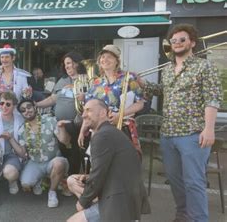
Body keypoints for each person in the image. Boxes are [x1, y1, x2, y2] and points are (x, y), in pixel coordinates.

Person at [138, 24, 223, 222]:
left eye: (182, 39)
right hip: (168, 134)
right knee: (175, 181)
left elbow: (212, 98)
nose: (177, 43)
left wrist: (209, 129)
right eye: (173, 40)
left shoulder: (204, 66)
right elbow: (163, 90)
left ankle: (199, 219)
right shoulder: (168, 69)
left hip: (192, 134)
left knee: (194, 182)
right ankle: (183, 215)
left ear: (192, 42)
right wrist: (143, 84)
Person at [67, 99, 148, 222]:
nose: (83, 115)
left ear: (103, 113)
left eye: (88, 110)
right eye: (83, 111)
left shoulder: (103, 136)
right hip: (122, 191)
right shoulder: (109, 132)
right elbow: (108, 170)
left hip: (119, 200)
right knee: (72, 180)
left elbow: (98, 175)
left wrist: (83, 202)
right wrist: (87, 178)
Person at [78, 45, 145, 153]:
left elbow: (140, 103)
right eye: (103, 57)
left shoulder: (128, 78)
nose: (105, 59)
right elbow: (88, 111)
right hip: (100, 131)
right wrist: (82, 130)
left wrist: (120, 115)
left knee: (121, 163)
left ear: (116, 61)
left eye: (109, 57)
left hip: (122, 129)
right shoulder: (96, 83)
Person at [12, 99, 70, 208]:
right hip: (35, 162)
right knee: (26, 183)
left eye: (29, 107)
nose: (27, 111)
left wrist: (61, 128)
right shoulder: (22, 130)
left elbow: (65, 141)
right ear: (21, 114)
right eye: (23, 110)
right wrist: (11, 139)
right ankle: (41, 178)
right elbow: (23, 154)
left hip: (54, 160)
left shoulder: (50, 121)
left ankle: (52, 192)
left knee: (59, 164)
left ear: (34, 107)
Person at [36, 52, 87, 175]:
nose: (67, 67)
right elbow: (53, 99)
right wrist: (36, 105)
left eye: (69, 63)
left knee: (77, 152)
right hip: (60, 123)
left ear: (77, 63)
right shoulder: (63, 80)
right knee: (64, 151)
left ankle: (74, 178)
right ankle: (64, 178)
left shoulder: (87, 79)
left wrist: (80, 93)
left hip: (78, 123)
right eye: (65, 64)